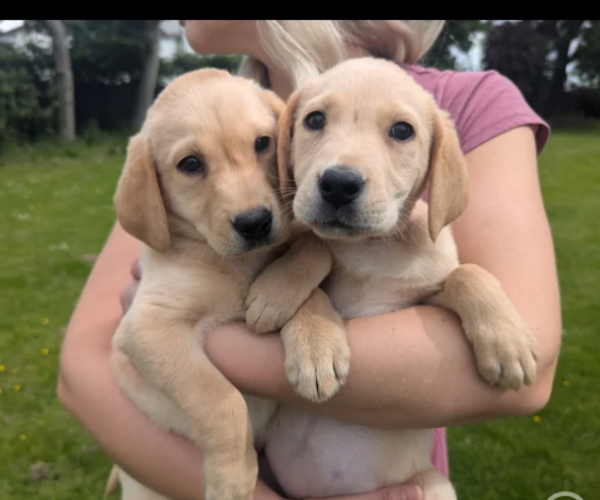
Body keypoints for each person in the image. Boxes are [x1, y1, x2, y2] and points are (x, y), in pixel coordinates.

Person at [58, 21, 561, 500]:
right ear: (291, 148)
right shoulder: (201, 115)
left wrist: (267, 328)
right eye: (315, 123)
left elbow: (526, 371)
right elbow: (88, 367)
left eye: (262, 146)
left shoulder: (466, 104)